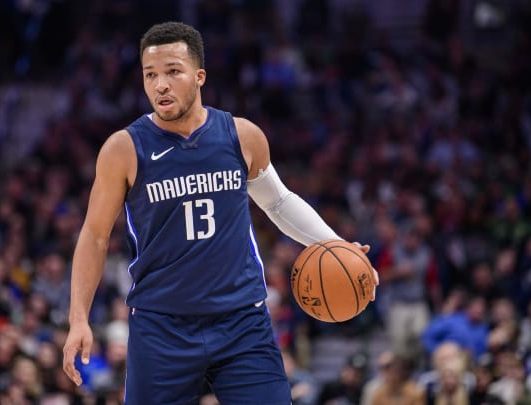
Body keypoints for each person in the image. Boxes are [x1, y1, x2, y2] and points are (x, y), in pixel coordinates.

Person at [62, 21, 378, 404]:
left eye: (173, 72)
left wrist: (338, 245)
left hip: (242, 320)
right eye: (150, 75)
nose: (160, 84)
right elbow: (95, 235)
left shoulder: (241, 135)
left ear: (199, 76)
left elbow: (278, 201)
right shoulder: (124, 149)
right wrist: (78, 317)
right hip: (162, 326)